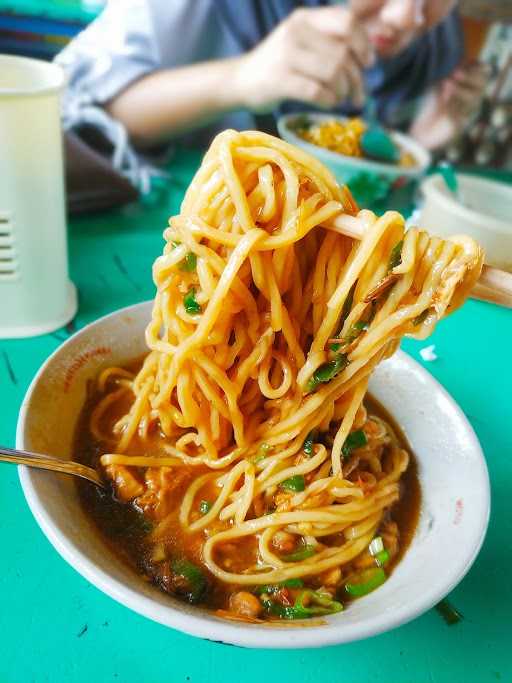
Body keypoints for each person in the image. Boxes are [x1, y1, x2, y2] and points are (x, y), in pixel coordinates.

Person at [56, 0, 488, 171]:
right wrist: (242, 77)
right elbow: (71, 109)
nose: (407, 17)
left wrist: (418, 144)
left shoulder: (437, 46)